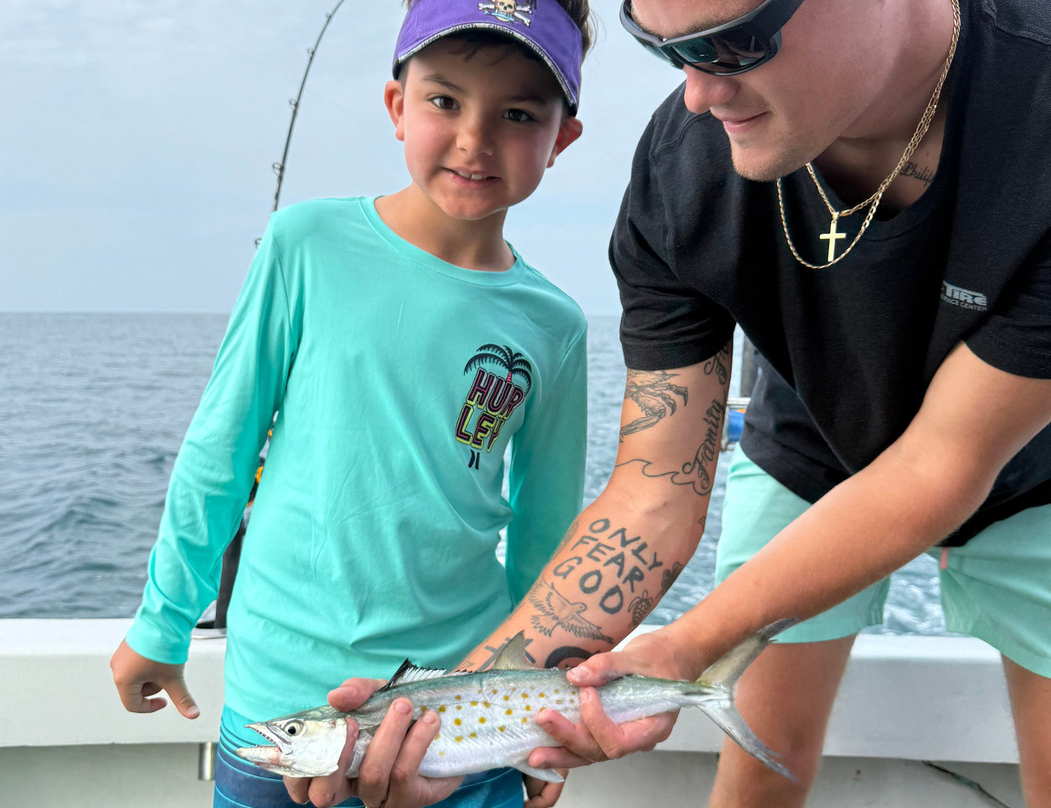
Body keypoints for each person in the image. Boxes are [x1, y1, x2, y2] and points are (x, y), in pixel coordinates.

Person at [322, 0, 1051, 805]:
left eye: (737, 42)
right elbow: (656, 489)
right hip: (812, 440)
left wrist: (688, 643)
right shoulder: (683, 170)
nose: (699, 94)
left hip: (1038, 470)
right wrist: (440, 722)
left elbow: (939, 466)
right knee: (757, 781)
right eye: (666, 50)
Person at [108, 1, 595, 806]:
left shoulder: (556, 325)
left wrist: (543, 716)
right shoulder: (304, 244)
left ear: (562, 139)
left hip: (461, 722)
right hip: (280, 704)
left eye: (517, 114)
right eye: (445, 100)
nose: (474, 138)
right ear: (397, 106)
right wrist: (163, 622)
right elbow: (221, 449)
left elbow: (547, 537)